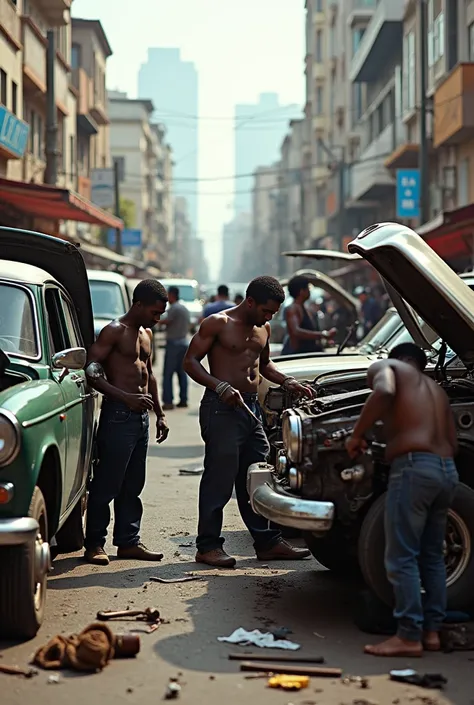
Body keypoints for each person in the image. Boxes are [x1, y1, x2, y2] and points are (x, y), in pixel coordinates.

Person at [183, 275, 314, 568]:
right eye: (266, 310)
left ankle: (267, 542)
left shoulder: (263, 328)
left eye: (273, 313)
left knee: (258, 475)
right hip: (221, 408)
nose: (268, 317)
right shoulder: (217, 323)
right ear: (250, 301)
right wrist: (219, 386)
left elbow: (264, 364)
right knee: (220, 477)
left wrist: (288, 381)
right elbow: (190, 361)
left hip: (251, 408)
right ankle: (208, 546)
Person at [346, 343, 458, 657]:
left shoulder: (386, 367)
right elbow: (452, 442)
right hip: (446, 471)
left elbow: (383, 392)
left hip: (413, 469)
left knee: (401, 557)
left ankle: (409, 636)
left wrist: (358, 435)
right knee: (432, 556)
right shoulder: (437, 389)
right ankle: (431, 632)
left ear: (395, 359)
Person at [84, 279, 170, 566]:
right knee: (107, 484)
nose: (157, 319)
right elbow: (92, 371)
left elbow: (150, 375)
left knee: (133, 484)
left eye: (161, 314)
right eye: (154, 313)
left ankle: (128, 542)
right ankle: (95, 544)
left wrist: (160, 413)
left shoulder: (146, 333)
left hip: (141, 419)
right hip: (118, 416)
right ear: (138, 304)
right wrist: (125, 398)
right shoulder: (114, 331)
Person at [281, 276, 336, 355]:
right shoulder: (292, 309)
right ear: (301, 291)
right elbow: (296, 332)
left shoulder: (304, 308)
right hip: (296, 356)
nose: (309, 291)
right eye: (307, 288)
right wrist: (323, 334)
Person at [159, 286, 191, 410]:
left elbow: (167, 321)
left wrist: (155, 320)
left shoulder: (174, 308)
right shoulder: (184, 308)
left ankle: (168, 401)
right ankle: (183, 399)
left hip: (173, 344)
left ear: (172, 295)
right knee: (182, 373)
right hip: (183, 342)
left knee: (168, 373)